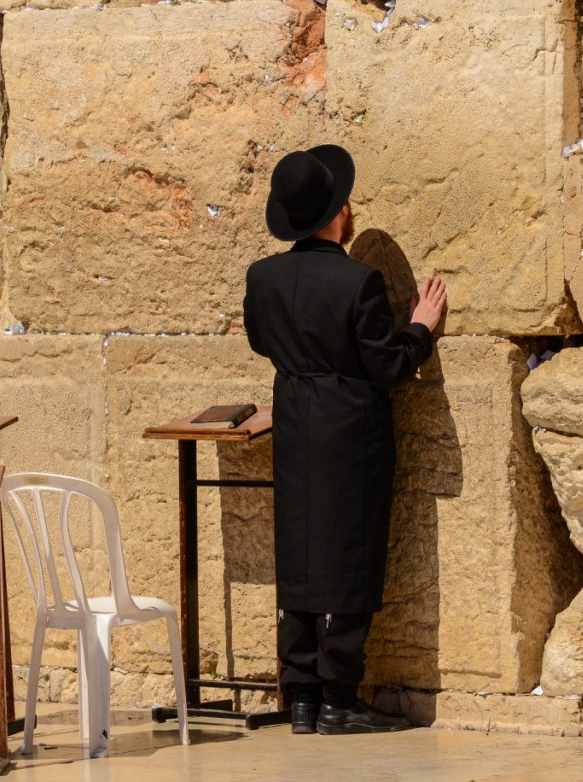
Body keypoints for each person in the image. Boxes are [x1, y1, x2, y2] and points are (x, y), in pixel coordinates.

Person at [242, 145, 446, 735]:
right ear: (341, 213)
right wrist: (420, 327)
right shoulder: (359, 283)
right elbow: (389, 368)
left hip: (296, 425)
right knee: (351, 561)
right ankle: (338, 697)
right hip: (352, 432)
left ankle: (301, 696)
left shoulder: (263, 277)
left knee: (300, 558)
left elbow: (261, 340)